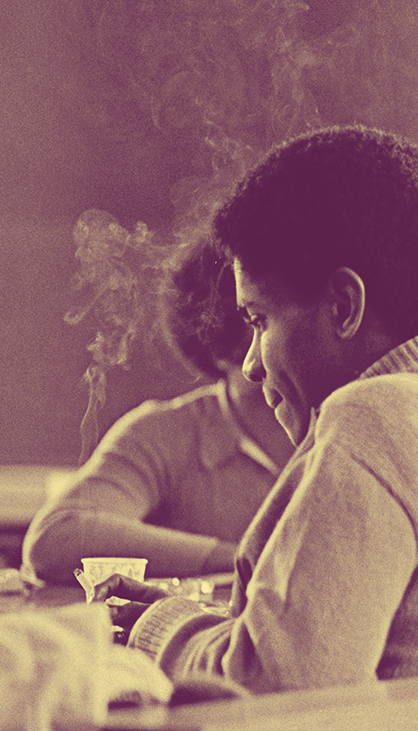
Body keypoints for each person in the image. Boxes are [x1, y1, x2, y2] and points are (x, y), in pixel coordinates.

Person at [93, 125, 418, 694]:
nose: (252, 364)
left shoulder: (373, 420)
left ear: (343, 307)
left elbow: (279, 683)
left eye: (259, 321)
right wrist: (203, 626)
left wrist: (159, 627)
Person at [21, 239, 294, 585]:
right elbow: (57, 537)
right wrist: (244, 560)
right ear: (220, 344)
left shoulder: (346, 424)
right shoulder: (165, 433)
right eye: (258, 321)